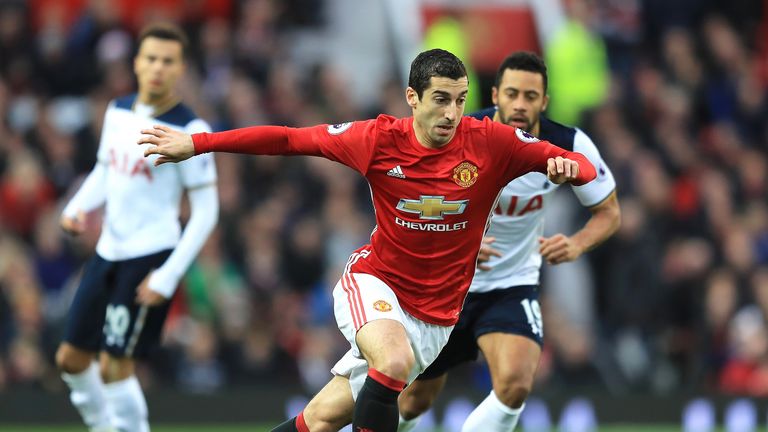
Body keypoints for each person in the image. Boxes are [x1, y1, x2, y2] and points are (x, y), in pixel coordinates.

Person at [139, 48, 596, 432]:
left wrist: (567, 167)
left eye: (460, 100)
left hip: (435, 320)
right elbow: (290, 139)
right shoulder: (377, 139)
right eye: (441, 99)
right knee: (392, 360)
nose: (453, 114)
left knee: (318, 420)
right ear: (412, 98)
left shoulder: (493, 143)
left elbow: (582, 166)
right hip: (376, 283)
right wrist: (198, 143)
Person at [397, 52, 620, 432]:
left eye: (530, 96)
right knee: (414, 399)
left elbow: (610, 212)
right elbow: (415, 203)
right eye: (512, 94)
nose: (520, 104)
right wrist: (459, 240)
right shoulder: (460, 134)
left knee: (515, 384)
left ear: (544, 101)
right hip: (448, 286)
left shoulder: (568, 144)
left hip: (511, 285)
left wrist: (578, 244)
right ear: (496, 95)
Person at [56, 23, 218, 432]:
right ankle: (104, 427)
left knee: (115, 365)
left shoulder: (191, 130)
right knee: (70, 359)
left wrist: (168, 275)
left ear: (180, 68)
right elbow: (105, 171)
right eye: (150, 58)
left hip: (151, 254)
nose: (157, 68)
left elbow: (206, 210)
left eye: (167, 61)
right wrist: (77, 207)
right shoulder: (118, 111)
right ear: (136, 63)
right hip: (108, 249)